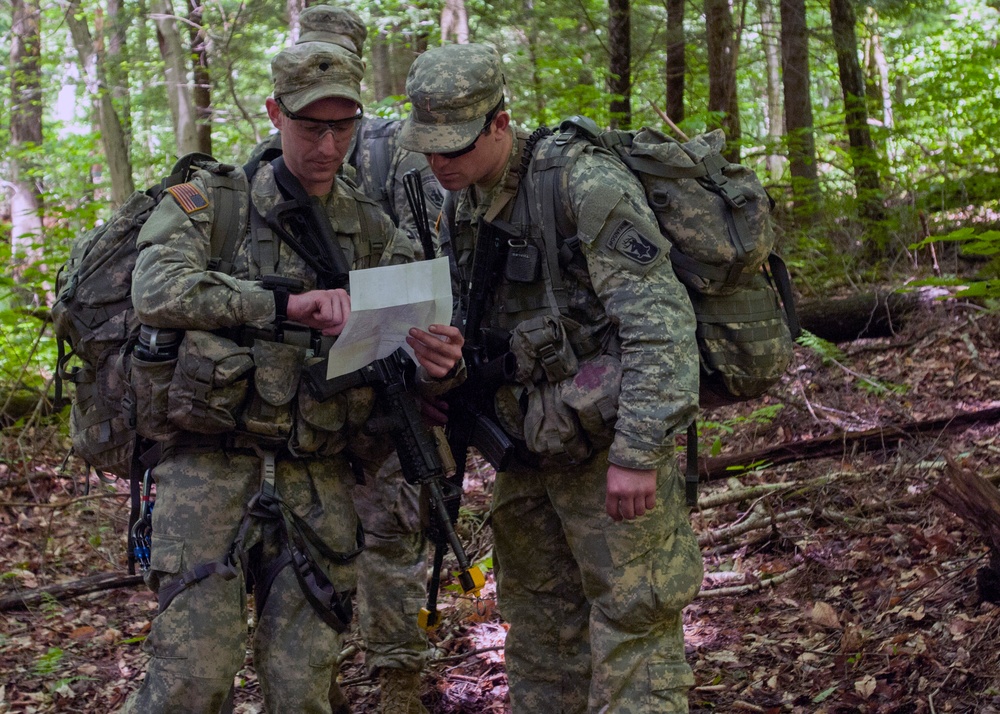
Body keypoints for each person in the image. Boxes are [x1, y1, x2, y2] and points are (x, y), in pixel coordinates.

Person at [121, 32, 463, 714]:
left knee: (304, 686)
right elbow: (155, 288)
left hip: (318, 474)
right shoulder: (212, 201)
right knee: (190, 682)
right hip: (208, 468)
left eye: (343, 128)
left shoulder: (370, 229)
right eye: (311, 127)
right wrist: (285, 304)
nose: (328, 147)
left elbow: (408, 336)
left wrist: (438, 364)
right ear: (276, 115)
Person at [399, 43, 705, 713]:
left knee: (635, 634)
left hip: (606, 454)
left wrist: (638, 454)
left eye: (454, 144)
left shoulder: (581, 183)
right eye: (430, 147)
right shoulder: (459, 204)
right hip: (525, 454)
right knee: (541, 640)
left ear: (500, 124)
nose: (440, 161)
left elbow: (660, 325)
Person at [249, 8, 447, 713]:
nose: (328, 140)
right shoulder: (358, 145)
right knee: (364, 543)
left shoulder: (292, 145)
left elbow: (419, 249)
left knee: (367, 541)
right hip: (349, 378)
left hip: (365, 376)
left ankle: (379, 686)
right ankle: (373, 685)